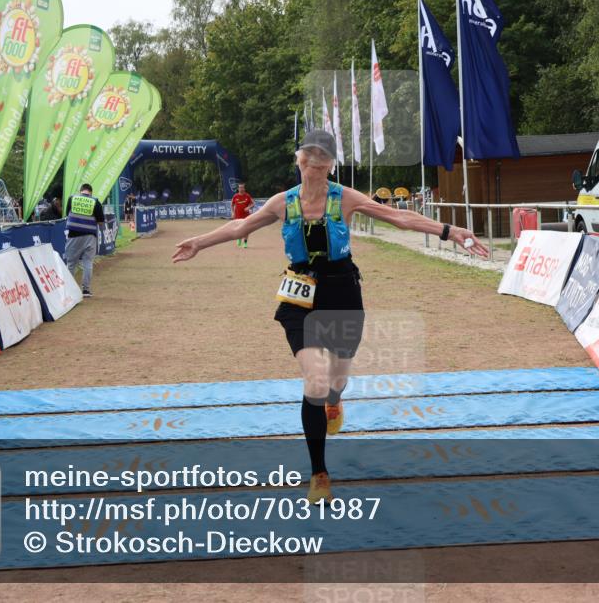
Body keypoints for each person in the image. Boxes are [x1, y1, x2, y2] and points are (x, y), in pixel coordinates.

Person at [173, 130, 487, 503]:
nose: (316, 169)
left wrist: (450, 231)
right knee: (316, 381)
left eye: (323, 163)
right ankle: (319, 473)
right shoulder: (282, 203)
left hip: (342, 294)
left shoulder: (346, 198)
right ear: (300, 161)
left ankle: (336, 398)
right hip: (299, 296)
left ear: (330, 166)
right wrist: (199, 242)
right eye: (310, 161)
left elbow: (396, 217)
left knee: (336, 379)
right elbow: (241, 226)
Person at [65, 183, 105, 298]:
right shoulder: (95, 201)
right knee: (88, 263)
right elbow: (101, 222)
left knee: (71, 263)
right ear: (91, 192)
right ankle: (86, 290)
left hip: (73, 234)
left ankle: (70, 290)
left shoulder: (72, 199)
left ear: (81, 191)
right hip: (90, 236)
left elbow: (68, 214)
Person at [230, 182, 255, 248]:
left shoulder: (247, 196)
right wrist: (233, 213)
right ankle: (239, 238)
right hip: (237, 216)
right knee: (238, 229)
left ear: (244, 188)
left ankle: (245, 243)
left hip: (246, 216)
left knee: (246, 229)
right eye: (240, 187)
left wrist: (248, 207)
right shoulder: (235, 196)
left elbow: (253, 204)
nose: (241, 189)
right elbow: (232, 205)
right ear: (238, 188)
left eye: (242, 187)